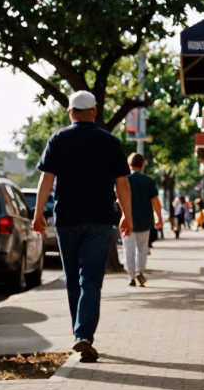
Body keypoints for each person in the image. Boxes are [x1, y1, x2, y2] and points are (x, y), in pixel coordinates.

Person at [33, 90, 132, 362]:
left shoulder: (58, 139)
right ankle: (84, 334)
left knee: (73, 278)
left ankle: (79, 334)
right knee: (90, 279)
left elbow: (46, 180)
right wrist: (127, 215)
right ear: (95, 112)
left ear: (70, 112)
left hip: (66, 220)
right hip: (100, 220)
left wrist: (39, 213)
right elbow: (122, 183)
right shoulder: (110, 142)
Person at [121, 152, 164, 287]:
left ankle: (130, 276)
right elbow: (155, 201)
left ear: (129, 164)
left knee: (128, 249)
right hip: (145, 221)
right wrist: (159, 218)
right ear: (142, 165)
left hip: (128, 221)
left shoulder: (124, 180)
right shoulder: (148, 181)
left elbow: (119, 199)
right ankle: (140, 271)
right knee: (142, 249)